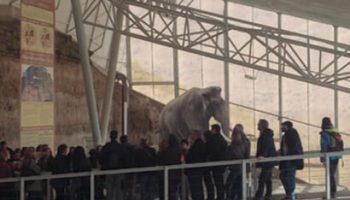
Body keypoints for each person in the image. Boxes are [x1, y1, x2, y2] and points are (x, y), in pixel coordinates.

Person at [99, 130, 128, 200]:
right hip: (119, 171)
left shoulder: (106, 147)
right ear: (117, 136)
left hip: (109, 171)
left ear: (110, 136)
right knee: (119, 190)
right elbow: (124, 158)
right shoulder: (120, 147)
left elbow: (101, 158)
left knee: (109, 190)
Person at [225, 124, 251, 200]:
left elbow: (228, 157)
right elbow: (247, 155)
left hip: (235, 169)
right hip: (242, 169)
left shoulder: (232, 147)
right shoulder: (246, 143)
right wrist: (247, 167)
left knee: (229, 185)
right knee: (239, 186)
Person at [279, 121, 303, 200]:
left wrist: (288, 155)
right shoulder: (287, 134)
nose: (281, 128)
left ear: (287, 126)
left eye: (282, 126)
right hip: (287, 160)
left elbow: (292, 147)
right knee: (284, 176)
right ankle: (289, 195)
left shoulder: (291, 133)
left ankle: (290, 195)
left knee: (288, 177)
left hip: (290, 160)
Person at [254, 119, 277, 200]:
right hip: (268, 161)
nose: (257, 125)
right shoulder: (266, 134)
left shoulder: (265, 135)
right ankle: (267, 195)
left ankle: (259, 196)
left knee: (262, 179)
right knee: (267, 179)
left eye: (258, 124)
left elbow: (265, 147)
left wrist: (263, 155)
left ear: (262, 125)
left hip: (267, 161)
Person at [320, 117, 341, 198]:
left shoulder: (324, 133)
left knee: (330, 175)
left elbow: (324, 146)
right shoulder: (335, 131)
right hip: (336, 156)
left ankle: (332, 193)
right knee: (332, 174)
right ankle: (332, 192)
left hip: (329, 156)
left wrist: (323, 158)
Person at [206, 124, 227, 200]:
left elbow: (213, 151)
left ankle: (220, 197)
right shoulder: (222, 139)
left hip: (216, 164)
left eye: (212, 129)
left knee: (218, 182)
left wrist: (209, 159)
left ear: (214, 130)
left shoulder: (214, 139)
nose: (211, 131)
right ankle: (221, 196)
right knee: (219, 182)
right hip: (221, 164)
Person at [158, 134, 181, 200]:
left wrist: (161, 150)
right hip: (176, 174)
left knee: (170, 192)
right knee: (173, 191)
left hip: (169, 174)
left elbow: (163, 160)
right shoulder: (178, 150)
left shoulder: (168, 151)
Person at [185, 130, 206, 200]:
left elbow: (192, 157)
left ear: (196, 135)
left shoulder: (197, 145)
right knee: (197, 187)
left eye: (193, 135)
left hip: (194, 170)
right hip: (197, 170)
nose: (192, 136)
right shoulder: (200, 144)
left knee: (195, 188)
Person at [203, 130, 215, 200]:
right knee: (210, 182)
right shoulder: (212, 144)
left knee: (208, 182)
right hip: (210, 166)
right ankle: (211, 196)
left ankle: (210, 196)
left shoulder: (207, 144)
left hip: (207, 166)